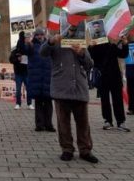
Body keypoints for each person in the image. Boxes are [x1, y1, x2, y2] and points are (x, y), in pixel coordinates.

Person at [40, 27, 97, 163]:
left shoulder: (80, 41)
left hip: (79, 88)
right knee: (63, 123)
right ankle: (67, 149)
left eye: (74, 28)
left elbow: (89, 64)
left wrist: (81, 53)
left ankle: (85, 150)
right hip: (61, 88)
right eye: (70, 27)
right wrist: (51, 41)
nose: (72, 30)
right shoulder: (56, 40)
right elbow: (42, 52)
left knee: (83, 123)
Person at [89, 38, 130, 132]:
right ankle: (108, 120)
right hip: (102, 76)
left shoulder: (113, 45)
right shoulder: (96, 45)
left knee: (118, 99)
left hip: (115, 76)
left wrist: (125, 44)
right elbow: (91, 56)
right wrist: (91, 46)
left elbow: (123, 54)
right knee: (105, 100)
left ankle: (120, 121)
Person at [25, 28, 53, 129]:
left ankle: (49, 124)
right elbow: (24, 50)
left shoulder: (49, 44)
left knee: (48, 102)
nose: (39, 37)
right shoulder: (31, 45)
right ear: (35, 36)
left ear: (44, 35)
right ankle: (39, 125)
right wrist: (26, 42)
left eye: (41, 35)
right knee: (38, 102)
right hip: (36, 77)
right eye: (37, 35)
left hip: (47, 76)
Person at [9, 32, 32, 110]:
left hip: (27, 72)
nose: (26, 39)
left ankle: (29, 103)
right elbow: (11, 59)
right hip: (18, 72)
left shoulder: (29, 47)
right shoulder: (15, 49)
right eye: (25, 38)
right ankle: (18, 103)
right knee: (18, 89)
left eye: (27, 38)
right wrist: (17, 59)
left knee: (29, 88)